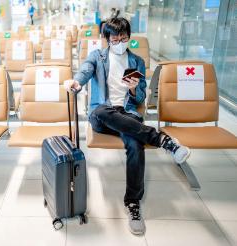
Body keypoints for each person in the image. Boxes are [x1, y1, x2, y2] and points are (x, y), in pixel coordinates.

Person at [64, 17, 191, 235]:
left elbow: (140, 95)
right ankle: (162, 140)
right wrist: (76, 82)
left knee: (135, 143)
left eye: (124, 38)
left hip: (127, 113)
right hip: (101, 114)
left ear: (129, 38)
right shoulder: (97, 56)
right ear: (107, 39)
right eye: (115, 38)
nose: (120, 42)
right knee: (103, 110)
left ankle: (133, 203)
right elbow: (84, 71)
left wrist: (133, 90)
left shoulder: (137, 61)